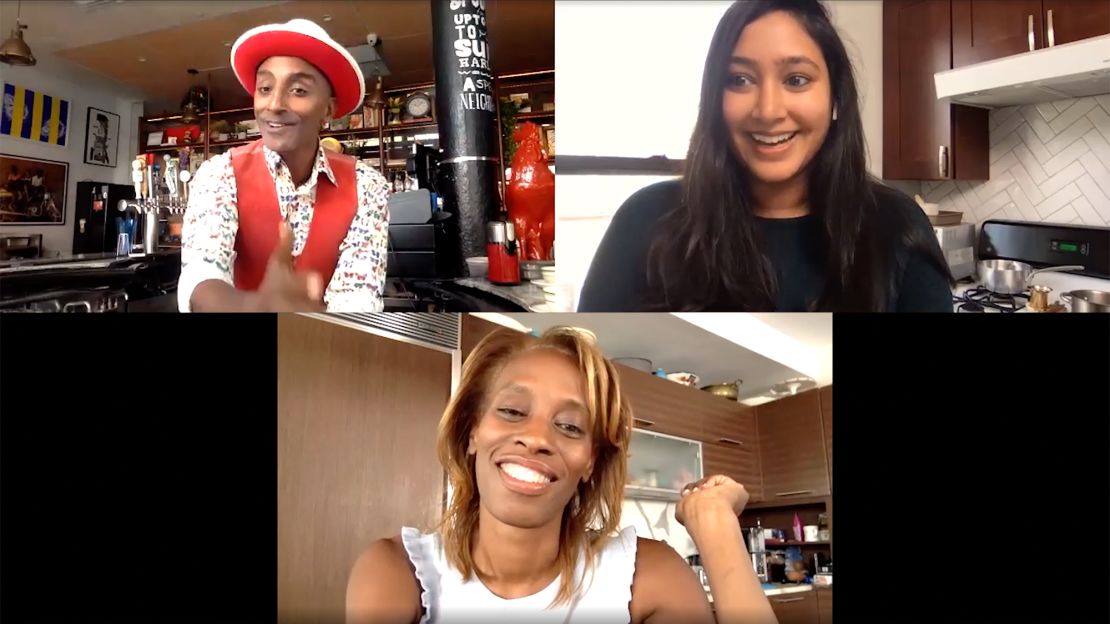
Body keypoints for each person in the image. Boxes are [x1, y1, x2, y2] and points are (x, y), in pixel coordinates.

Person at [345, 327, 778, 624]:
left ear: (590, 460)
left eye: (570, 426)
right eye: (513, 411)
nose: (535, 439)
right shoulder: (397, 572)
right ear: (472, 430)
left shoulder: (649, 577)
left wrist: (716, 522)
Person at [578, 0, 952, 313]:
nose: (768, 110)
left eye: (796, 80)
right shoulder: (645, 220)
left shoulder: (898, 228)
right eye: (740, 80)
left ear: (836, 97)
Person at [179, 18, 390, 312]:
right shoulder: (219, 174)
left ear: (328, 109)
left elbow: (358, 298)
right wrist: (254, 306)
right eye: (265, 88)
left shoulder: (367, 187)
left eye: (299, 91)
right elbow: (201, 276)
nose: (274, 104)